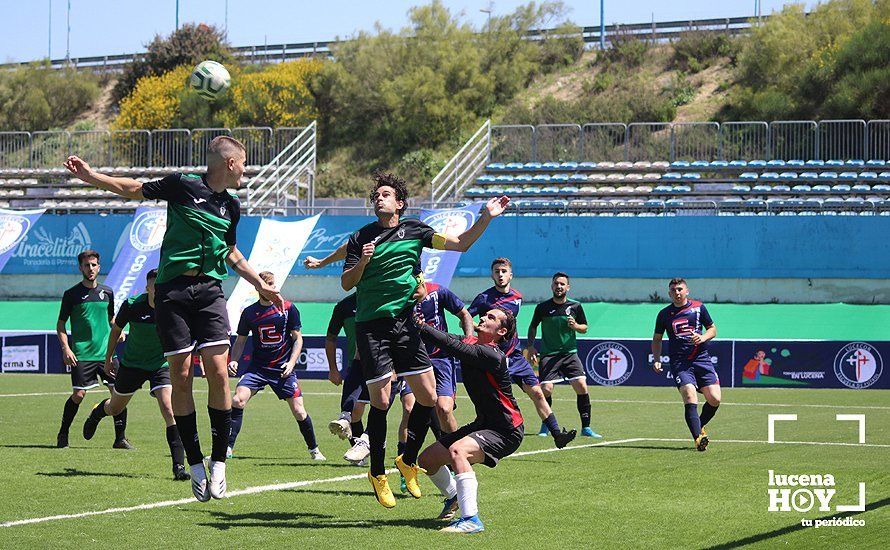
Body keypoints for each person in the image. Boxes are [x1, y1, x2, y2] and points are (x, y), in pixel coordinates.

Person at [64, 136, 282, 502]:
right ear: (230, 163)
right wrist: (91, 176)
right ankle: (194, 462)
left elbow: (230, 252)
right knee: (180, 376)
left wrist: (258, 280)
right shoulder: (183, 184)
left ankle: (218, 463)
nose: (246, 170)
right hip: (172, 293)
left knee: (217, 372)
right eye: (244, 163)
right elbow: (133, 188)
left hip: (210, 291)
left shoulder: (232, 206)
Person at [341, 171, 508, 508]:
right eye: (376, 194)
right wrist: (363, 261)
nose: (379, 197)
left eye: (386, 194)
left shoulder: (416, 230)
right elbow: (347, 283)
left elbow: (459, 244)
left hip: (405, 324)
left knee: (429, 396)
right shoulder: (361, 238)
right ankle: (377, 472)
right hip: (372, 326)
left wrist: (485, 218)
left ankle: (407, 460)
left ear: (400, 204)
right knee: (382, 401)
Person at [416, 307, 524, 534]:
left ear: (501, 332)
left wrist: (421, 326)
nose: (483, 317)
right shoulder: (473, 344)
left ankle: (471, 519)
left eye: (491, 318)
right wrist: (418, 325)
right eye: (486, 314)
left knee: (458, 451)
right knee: (427, 460)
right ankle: (455, 495)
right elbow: (448, 338)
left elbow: (452, 345)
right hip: (484, 423)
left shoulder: (492, 354)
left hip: (506, 430)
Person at [81, 269, 189, 481]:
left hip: (160, 365)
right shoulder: (132, 305)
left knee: (169, 410)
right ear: (147, 287)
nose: (157, 290)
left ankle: (179, 467)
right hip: (132, 365)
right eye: (153, 286)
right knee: (115, 408)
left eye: (161, 286)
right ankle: (97, 412)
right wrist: (108, 357)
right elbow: (115, 330)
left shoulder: (172, 307)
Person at [468, 258, 575, 448]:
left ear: (511, 275)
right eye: (496, 271)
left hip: (516, 357)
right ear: (492, 274)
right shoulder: (484, 298)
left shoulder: (517, 297)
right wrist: (479, 333)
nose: (500, 275)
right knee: (492, 403)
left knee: (538, 393)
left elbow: (511, 327)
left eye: (503, 271)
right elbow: (465, 319)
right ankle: (477, 436)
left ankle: (557, 434)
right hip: (495, 359)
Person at [226, 271, 324, 461]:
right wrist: (234, 359)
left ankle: (314, 450)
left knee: (299, 411)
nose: (270, 287)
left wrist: (292, 362)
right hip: (258, 369)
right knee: (237, 400)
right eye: (265, 284)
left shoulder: (288, 308)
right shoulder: (249, 312)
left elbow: (297, 339)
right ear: (258, 287)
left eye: (272, 283)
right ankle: (227, 448)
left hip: (282, 369)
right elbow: (240, 341)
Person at [56, 249, 130, 450]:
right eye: (87, 265)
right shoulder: (71, 295)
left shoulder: (107, 293)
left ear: (99, 267)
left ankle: (120, 439)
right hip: (82, 354)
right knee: (79, 395)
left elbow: (111, 319)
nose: (90, 269)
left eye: (94, 265)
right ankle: (63, 434)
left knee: (120, 395)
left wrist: (118, 330)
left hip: (107, 353)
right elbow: (61, 324)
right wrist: (66, 348)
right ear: (80, 267)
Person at [526, 272, 602, 438]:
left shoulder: (575, 307)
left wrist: (575, 326)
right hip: (549, 355)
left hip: (569, 354)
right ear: (551, 286)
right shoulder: (542, 307)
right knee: (546, 389)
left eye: (562, 284)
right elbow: (533, 327)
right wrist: (530, 346)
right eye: (556, 284)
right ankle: (546, 425)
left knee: (581, 386)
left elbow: (585, 328)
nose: (559, 287)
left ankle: (586, 428)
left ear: (568, 287)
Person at [651, 278, 720, 451]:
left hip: (702, 359)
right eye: (673, 290)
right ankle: (698, 439)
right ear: (669, 293)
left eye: (680, 289)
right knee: (689, 395)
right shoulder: (664, 314)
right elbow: (657, 339)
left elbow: (712, 329)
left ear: (687, 291)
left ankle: (699, 425)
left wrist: (703, 337)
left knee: (715, 399)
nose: (677, 292)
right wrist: (657, 359)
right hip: (680, 362)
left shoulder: (698, 307)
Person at [414, 281, 475, 433]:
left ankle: (453, 449)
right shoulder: (398, 295)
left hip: (441, 358)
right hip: (413, 360)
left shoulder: (438, 291)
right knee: (408, 409)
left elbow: (464, 314)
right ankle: (404, 454)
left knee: (444, 409)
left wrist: (469, 340)